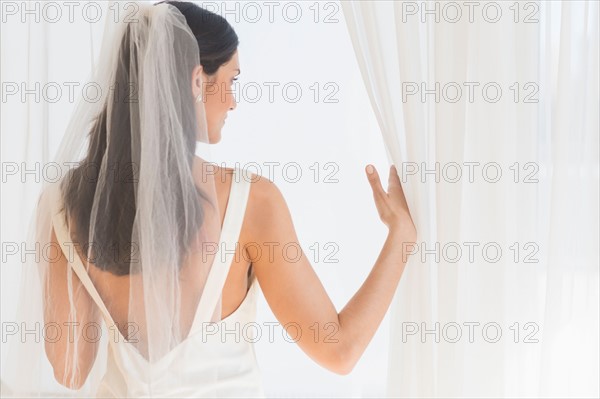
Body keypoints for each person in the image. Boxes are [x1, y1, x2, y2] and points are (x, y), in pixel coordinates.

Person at [1, 1, 416, 397]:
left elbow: (71, 372)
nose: (234, 101)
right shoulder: (251, 202)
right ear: (196, 81)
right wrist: (401, 235)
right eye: (231, 80)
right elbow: (339, 350)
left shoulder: (62, 206)